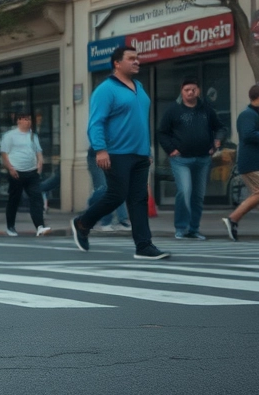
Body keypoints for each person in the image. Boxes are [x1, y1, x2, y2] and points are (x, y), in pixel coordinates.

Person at [71, 45, 168, 259]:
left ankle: (144, 246)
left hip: (140, 154)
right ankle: (82, 223)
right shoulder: (105, 90)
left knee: (139, 199)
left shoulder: (139, 86)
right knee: (117, 195)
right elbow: (95, 123)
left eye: (138, 58)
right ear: (117, 63)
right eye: (131, 58)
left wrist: (147, 149)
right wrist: (100, 150)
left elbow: (141, 121)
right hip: (115, 153)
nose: (137, 62)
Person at [156, 77, 225, 240]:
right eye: (187, 90)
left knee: (198, 195)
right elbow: (162, 132)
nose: (190, 92)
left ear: (198, 90)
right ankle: (181, 228)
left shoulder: (206, 109)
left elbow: (220, 127)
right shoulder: (173, 110)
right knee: (184, 191)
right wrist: (170, 149)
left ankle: (194, 229)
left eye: (193, 89)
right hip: (181, 160)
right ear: (182, 91)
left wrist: (217, 142)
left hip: (203, 159)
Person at [0, 111, 52, 236]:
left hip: (32, 172)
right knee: (14, 200)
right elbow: (4, 154)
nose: (27, 122)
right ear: (18, 121)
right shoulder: (10, 135)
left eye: (29, 119)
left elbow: (38, 152)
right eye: (25, 119)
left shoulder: (33, 136)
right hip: (16, 172)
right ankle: (10, 226)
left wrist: (40, 165)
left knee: (36, 198)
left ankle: (40, 226)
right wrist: (11, 169)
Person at [222, 83, 259, 241]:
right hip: (251, 163)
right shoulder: (248, 114)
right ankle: (233, 219)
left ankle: (233, 220)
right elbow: (248, 135)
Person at [85, 145, 130, 232]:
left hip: (113, 155)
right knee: (104, 189)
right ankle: (105, 222)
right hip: (98, 155)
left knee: (118, 188)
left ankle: (121, 220)